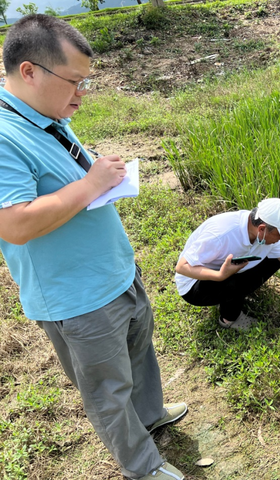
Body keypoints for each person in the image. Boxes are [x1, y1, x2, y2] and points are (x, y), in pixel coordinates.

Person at [0, 15, 187, 480]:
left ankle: (151, 417)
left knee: (140, 358)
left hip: (114, 273)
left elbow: (64, 183)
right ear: (29, 72)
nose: (81, 94)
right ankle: (142, 467)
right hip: (78, 297)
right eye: (74, 82)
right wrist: (90, 184)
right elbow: (14, 224)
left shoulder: (46, 116)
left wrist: (98, 174)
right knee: (108, 391)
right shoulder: (4, 135)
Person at [176, 198, 280, 329]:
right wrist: (219, 275)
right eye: (279, 235)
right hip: (194, 286)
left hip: (223, 272)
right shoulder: (222, 234)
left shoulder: (263, 234)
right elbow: (182, 267)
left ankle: (231, 294)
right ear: (262, 229)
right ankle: (229, 319)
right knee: (233, 283)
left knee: (276, 259)